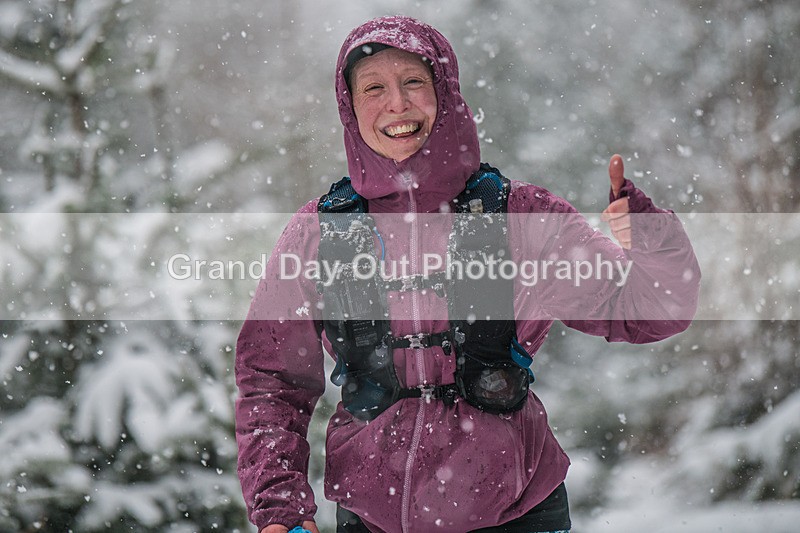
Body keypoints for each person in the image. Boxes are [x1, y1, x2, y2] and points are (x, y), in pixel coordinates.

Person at [235, 15, 700, 533]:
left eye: (414, 81)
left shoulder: (518, 214)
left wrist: (650, 237)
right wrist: (280, 513)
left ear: (445, 92)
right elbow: (271, 382)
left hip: (517, 513)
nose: (397, 104)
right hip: (372, 518)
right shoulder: (320, 231)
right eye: (373, 89)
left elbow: (654, 311)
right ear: (350, 108)